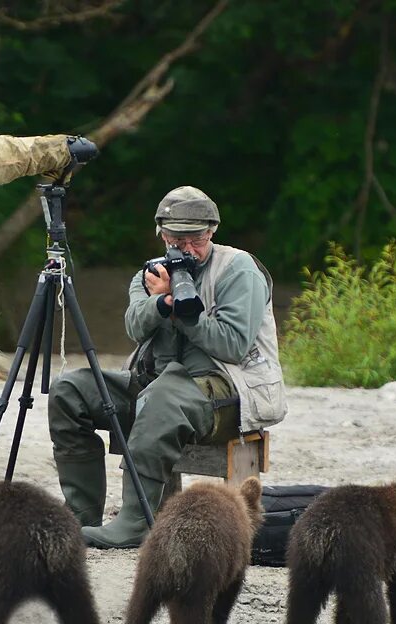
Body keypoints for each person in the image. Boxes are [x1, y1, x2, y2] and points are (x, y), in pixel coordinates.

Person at [48, 186, 286, 549]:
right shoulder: (151, 273)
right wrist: (160, 302)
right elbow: (133, 325)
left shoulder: (239, 271)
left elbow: (233, 345)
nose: (187, 249)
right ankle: (81, 515)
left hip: (227, 391)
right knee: (70, 391)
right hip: (159, 389)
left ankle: (135, 521)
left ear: (212, 232)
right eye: (177, 240)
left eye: (197, 239)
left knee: (162, 396)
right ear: (161, 235)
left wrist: (182, 312)